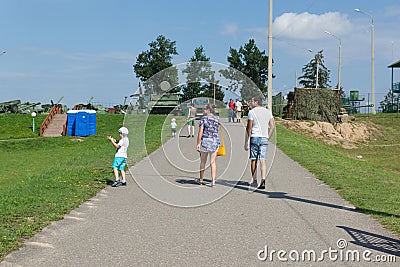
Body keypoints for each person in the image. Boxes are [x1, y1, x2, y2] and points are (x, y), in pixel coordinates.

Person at [244, 95, 275, 189]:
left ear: (256, 102)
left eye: (252, 101)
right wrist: (268, 136)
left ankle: (254, 180)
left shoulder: (252, 112)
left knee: (253, 159)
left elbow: (249, 127)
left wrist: (246, 141)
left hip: (255, 137)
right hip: (264, 138)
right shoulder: (268, 112)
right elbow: (272, 126)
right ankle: (263, 180)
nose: (251, 103)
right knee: (263, 160)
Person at [196, 104, 219, 187]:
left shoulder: (203, 119)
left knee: (203, 161)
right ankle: (213, 181)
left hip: (205, 141)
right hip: (214, 141)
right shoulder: (216, 119)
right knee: (213, 162)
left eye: (204, 109)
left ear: (208, 110)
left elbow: (200, 132)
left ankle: (201, 179)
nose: (203, 110)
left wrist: (198, 143)